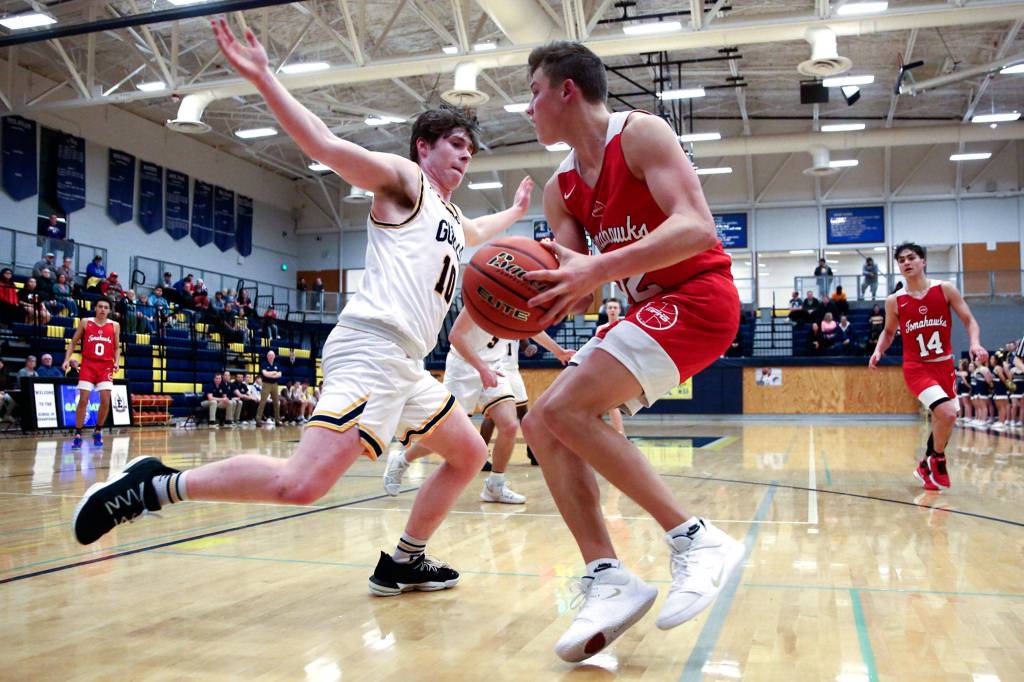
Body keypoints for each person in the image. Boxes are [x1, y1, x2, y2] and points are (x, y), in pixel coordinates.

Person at [70, 18, 532, 606]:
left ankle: (405, 562)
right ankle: (154, 486)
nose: (465, 157)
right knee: (301, 484)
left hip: (406, 363)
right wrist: (266, 79)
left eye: (470, 150)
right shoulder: (404, 181)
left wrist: (515, 214)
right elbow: (326, 147)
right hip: (371, 348)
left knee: (468, 454)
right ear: (424, 147)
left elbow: (479, 232)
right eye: (456, 146)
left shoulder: (447, 216)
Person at [519, 41, 744, 662]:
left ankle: (695, 538)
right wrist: (527, 293)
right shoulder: (561, 190)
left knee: (563, 411)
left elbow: (696, 226)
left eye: (533, 92)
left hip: (700, 296)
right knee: (543, 422)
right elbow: (579, 289)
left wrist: (597, 267)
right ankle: (607, 576)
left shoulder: (642, 135)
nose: (528, 108)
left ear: (567, 90)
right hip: (650, 309)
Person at [383, 307, 560, 503]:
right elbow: (455, 335)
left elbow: (532, 329)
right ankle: (402, 459)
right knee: (449, 436)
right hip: (463, 367)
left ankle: (495, 485)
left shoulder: (518, 300)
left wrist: (559, 352)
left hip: (494, 366)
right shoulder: (481, 296)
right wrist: (481, 368)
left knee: (509, 426)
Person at [869, 242, 987, 491]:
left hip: (944, 366)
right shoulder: (895, 301)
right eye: (901, 260)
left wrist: (975, 344)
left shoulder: (945, 289)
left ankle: (925, 465)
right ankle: (938, 460)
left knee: (945, 419)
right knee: (947, 413)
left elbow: (970, 320)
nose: (906, 263)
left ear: (923, 261)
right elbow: (889, 333)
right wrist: (879, 350)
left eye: (911, 257)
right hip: (917, 367)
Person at [61, 298, 120, 450]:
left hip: (105, 366)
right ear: (95, 308)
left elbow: (116, 348)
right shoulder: (86, 322)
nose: (103, 309)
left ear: (109, 310)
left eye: (106, 307)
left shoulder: (114, 326)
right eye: (100, 306)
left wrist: (116, 361)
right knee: (83, 400)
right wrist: (67, 359)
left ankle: (98, 430)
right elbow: (73, 342)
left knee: (106, 401)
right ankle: (78, 434)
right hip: (88, 365)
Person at [595, 298, 625, 433]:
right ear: (606, 310)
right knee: (605, 404)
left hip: (619, 366)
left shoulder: (624, 326)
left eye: (615, 307)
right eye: (610, 307)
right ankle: (616, 434)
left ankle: (620, 434)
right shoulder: (600, 328)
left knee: (613, 404)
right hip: (603, 367)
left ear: (619, 310)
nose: (612, 310)